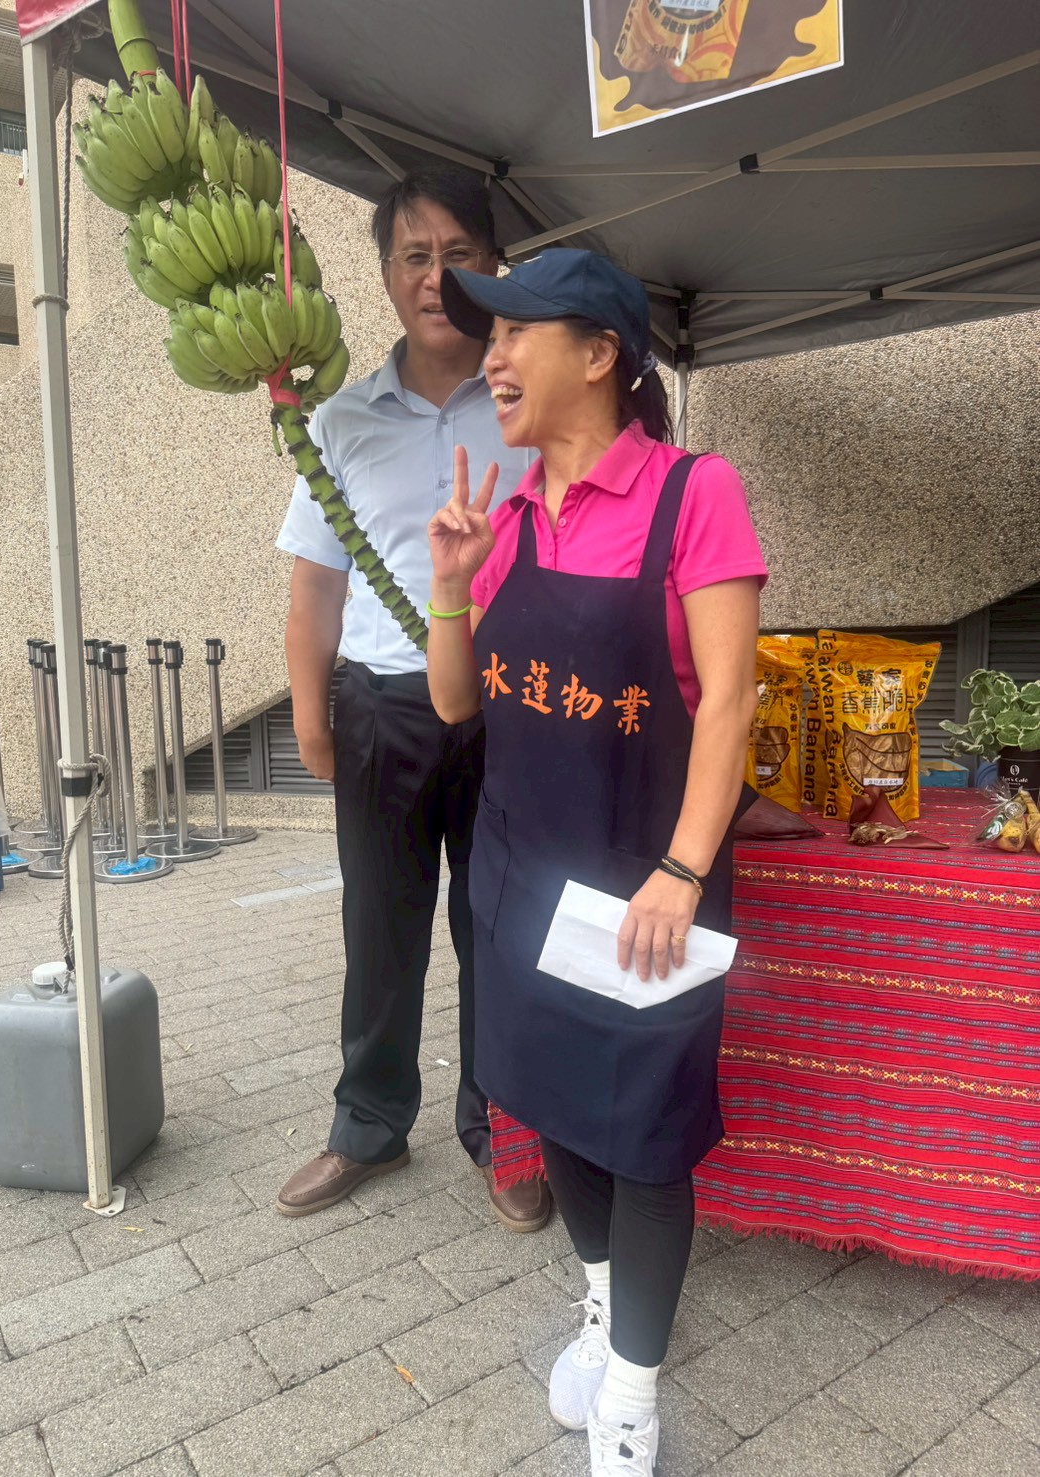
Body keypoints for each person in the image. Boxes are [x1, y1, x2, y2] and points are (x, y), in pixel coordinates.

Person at [425, 249, 766, 1476]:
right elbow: (456, 703)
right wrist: (449, 586)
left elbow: (728, 700)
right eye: (489, 338)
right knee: (557, 1106)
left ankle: (630, 1394)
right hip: (521, 880)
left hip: (645, 891)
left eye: (516, 333)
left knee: (647, 1137)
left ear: (601, 353)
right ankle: (605, 1301)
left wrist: (682, 869)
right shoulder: (509, 517)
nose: (493, 359)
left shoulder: (692, 495)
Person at [273, 167, 550, 1234]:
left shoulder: (532, 401)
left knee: (498, 925)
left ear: (494, 268)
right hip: (380, 707)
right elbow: (314, 586)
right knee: (379, 925)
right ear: (387, 274)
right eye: (415, 257)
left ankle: (502, 1129)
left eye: (459, 256)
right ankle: (368, 1123)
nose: (437, 278)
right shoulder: (339, 422)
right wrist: (310, 717)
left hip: (510, 710)